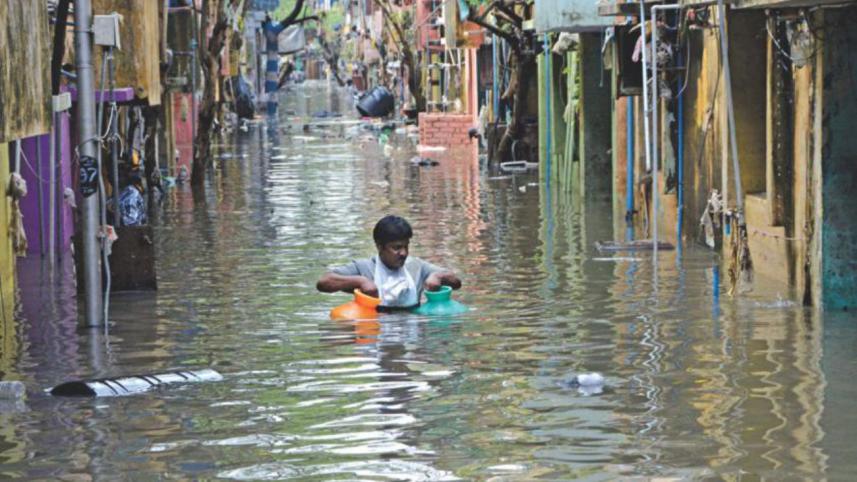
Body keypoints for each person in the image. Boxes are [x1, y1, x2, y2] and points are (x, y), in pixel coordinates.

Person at [317, 215, 462, 310]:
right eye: (396, 248)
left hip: (412, 331)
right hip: (375, 332)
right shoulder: (364, 268)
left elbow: (456, 282)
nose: (404, 253)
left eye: (406, 246)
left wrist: (438, 277)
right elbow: (324, 282)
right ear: (380, 246)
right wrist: (359, 281)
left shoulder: (416, 267)